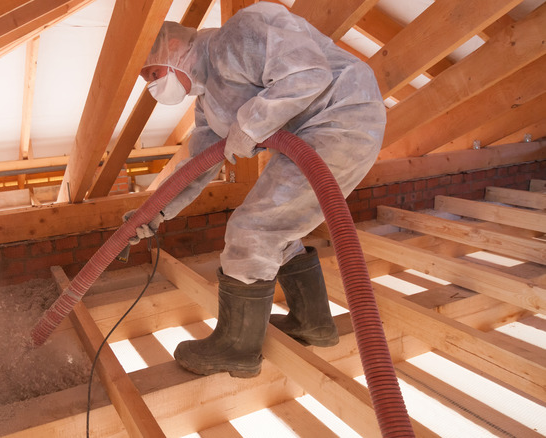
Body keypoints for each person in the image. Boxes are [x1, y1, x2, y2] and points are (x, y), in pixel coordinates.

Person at [125, 2, 386, 378]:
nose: (153, 86)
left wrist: (249, 126)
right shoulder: (209, 103)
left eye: (152, 72)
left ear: (175, 49)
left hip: (343, 117)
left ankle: (237, 348)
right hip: (312, 135)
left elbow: (307, 73)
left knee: (253, 229)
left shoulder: (242, 32)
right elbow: (194, 165)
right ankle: (312, 323)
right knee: (275, 229)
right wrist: (153, 212)